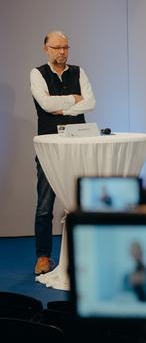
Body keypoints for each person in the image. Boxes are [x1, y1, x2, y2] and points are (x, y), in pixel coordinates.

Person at [30, 31, 96, 275]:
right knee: (45, 206)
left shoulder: (79, 72)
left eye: (66, 47)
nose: (62, 52)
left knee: (83, 202)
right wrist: (73, 100)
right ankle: (43, 257)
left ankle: (85, 256)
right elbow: (45, 105)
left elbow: (90, 102)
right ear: (46, 48)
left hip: (79, 144)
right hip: (49, 146)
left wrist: (62, 108)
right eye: (57, 47)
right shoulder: (37, 73)